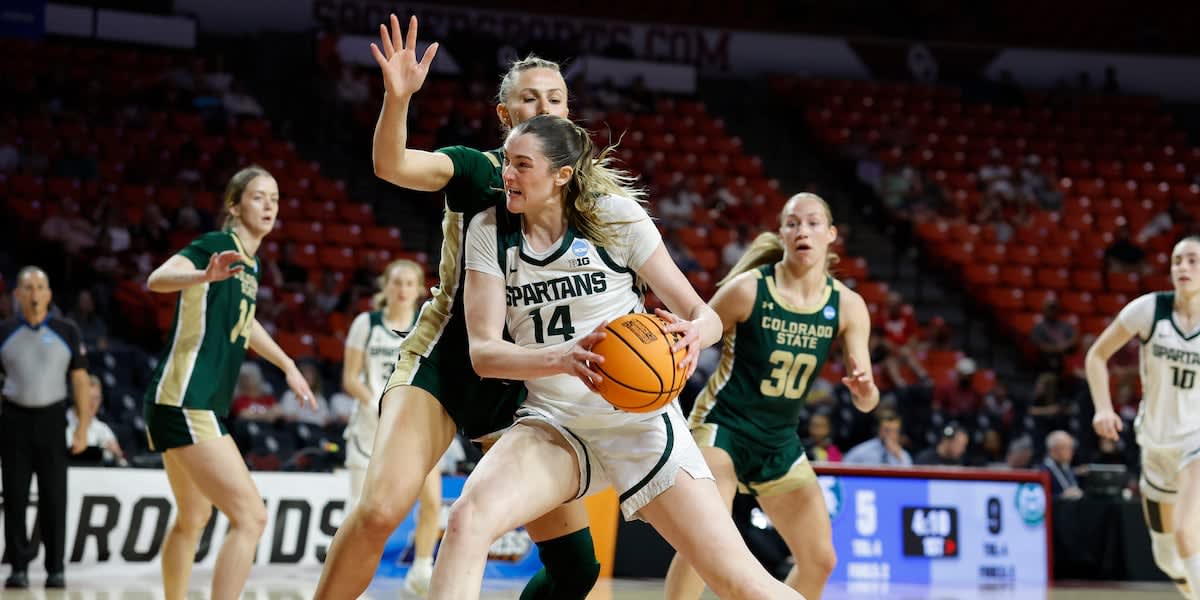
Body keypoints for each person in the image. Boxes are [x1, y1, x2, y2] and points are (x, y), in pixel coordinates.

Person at [435, 113, 803, 600]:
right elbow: (484, 353)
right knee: (466, 521)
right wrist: (560, 359)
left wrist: (697, 332)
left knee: (742, 583)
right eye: (507, 161)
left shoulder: (616, 217)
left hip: (640, 421)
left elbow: (700, 311)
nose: (506, 174)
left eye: (523, 165)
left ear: (562, 175)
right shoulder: (490, 229)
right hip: (556, 422)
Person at [315, 16, 600, 599]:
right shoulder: (479, 170)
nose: (543, 107)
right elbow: (392, 165)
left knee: (577, 568)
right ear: (505, 115)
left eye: (555, 98)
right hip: (446, 360)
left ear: (569, 113)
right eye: (529, 99)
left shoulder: (589, 195)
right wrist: (397, 101)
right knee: (378, 512)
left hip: (522, 378)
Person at [664, 192, 879, 599]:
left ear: (831, 234)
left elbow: (867, 402)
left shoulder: (848, 306)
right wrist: (691, 334)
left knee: (821, 561)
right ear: (781, 233)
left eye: (813, 223)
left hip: (778, 439)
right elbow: (704, 329)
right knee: (708, 532)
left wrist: (866, 391)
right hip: (721, 425)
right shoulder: (748, 290)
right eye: (793, 223)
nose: (803, 231)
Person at [143, 165, 316, 600]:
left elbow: (247, 323)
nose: (269, 205)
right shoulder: (218, 246)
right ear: (234, 206)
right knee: (251, 517)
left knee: (193, 517)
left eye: (274, 198)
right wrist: (204, 275)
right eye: (258, 197)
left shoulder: (250, 265)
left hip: (181, 401)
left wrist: (287, 365)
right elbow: (157, 279)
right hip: (186, 398)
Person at [1088, 236, 1200, 598]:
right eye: (1177, 260)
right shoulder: (1149, 310)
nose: (1183, 267)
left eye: (1193, 261)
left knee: (1186, 533)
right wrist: (1104, 407)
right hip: (1154, 444)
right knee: (1167, 556)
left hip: (1195, 442)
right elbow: (1096, 356)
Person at [340, 258, 448, 591]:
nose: (402, 289)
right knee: (361, 509)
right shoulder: (366, 323)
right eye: (396, 282)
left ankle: (421, 568)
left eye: (409, 283)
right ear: (385, 287)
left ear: (419, 290)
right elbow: (349, 378)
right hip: (370, 426)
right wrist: (377, 401)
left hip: (414, 425)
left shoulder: (426, 323)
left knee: (432, 500)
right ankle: (345, 576)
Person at [0, 267, 90, 589]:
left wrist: (82, 428)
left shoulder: (67, 331)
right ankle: (18, 567)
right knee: (14, 498)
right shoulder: (5, 330)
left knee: (54, 497)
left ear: (49, 294)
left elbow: (80, 381)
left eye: (40, 287)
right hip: (13, 422)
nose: (35, 294)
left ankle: (55, 568)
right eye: (28, 288)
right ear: (18, 295)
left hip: (52, 420)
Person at [66, 374, 127, 466]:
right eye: (88, 398)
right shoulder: (59, 425)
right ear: (76, 397)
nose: (92, 403)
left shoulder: (103, 429)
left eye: (96, 398)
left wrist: (117, 456)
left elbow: (123, 465)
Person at [844, 410, 912, 465]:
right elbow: (845, 465)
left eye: (894, 431)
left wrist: (898, 455)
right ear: (879, 430)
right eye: (886, 430)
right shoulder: (862, 451)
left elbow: (910, 477)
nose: (890, 434)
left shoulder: (903, 455)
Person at [1040, 430, 1083, 499]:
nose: (1071, 451)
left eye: (1071, 447)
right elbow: (1042, 499)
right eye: (1066, 448)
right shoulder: (1044, 471)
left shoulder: (1066, 467)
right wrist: (1062, 497)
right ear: (1053, 450)